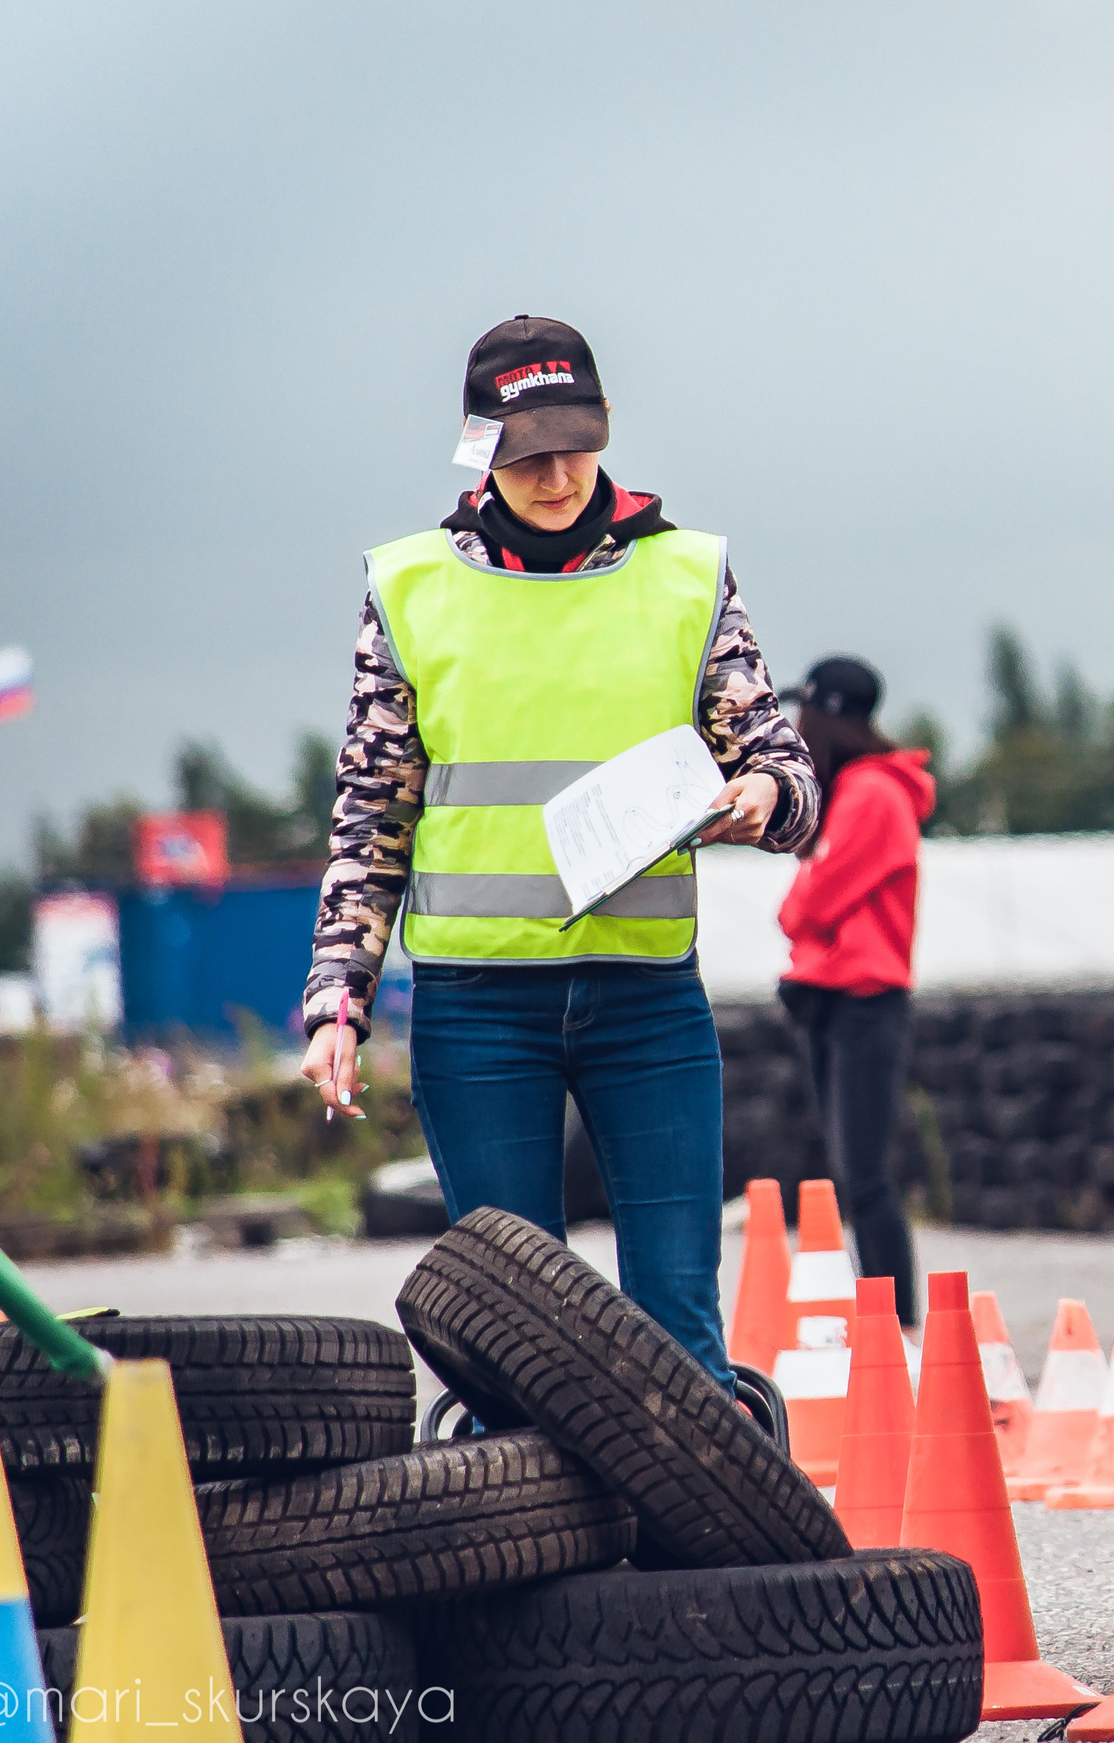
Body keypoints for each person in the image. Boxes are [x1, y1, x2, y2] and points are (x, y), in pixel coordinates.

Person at [298, 315, 818, 1389]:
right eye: (526, 450)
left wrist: (766, 793)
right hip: (478, 1006)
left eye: (572, 442)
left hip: (646, 1000)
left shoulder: (687, 575)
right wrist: (338, 996)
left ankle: (698, 1545)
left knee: (677, 1318)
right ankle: (519, 1539)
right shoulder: (409, 589)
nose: (554, 471)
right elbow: (372, 811)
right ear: (478, 442)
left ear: (607, 425)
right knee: (512, 1328)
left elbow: (782, 761)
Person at [775, 656, 934, 1326]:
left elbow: (812, 902)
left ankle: (897, 1319)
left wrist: (798, 902)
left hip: (864, 1001)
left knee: (865, 1172)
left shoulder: (873, 794)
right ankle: (889, 1317)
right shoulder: (857, 793)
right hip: (834, 998)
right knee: (853, 1170)